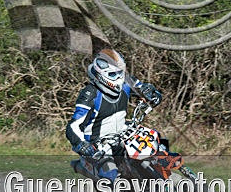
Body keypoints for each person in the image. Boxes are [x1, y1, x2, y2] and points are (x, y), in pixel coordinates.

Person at [66, 49, 162, 183]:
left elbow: (144, 88)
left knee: (155, 139)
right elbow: (73, 125)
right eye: (113, 74)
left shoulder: (126, 82)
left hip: (123, 131)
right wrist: (81, 144)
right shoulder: (90, 94)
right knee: (110, 173)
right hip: (99, 143)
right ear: (101, 75)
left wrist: (152, 92)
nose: (119, 78)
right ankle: (110, 186)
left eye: (120, 73)